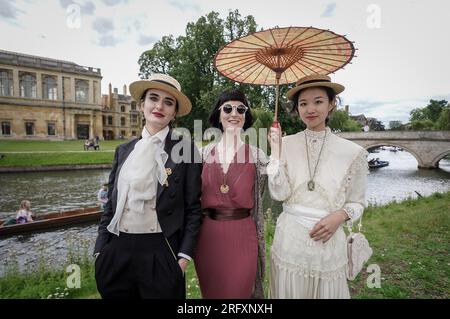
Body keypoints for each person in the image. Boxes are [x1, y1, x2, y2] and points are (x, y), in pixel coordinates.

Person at [93, 73, 202, 299]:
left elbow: (193, 209)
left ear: (174, 113)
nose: (159, 106)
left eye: (168, 102)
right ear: (142, 105)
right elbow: (110, 206)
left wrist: (182, 259)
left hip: (160, 251)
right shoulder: (123, 150)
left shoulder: (187, 150)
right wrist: (100, 250)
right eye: (153, 98)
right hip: (117, 252)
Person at [267, 74, 369, 299]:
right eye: (303, 103)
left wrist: (340, 216)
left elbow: (358, 202)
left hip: (328, 245)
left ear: (332, 104)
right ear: (297, 108)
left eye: (318, 101)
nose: (310, 109)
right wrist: (275, 153)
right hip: (290, 243)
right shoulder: (286, 144)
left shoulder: (353, 153)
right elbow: (279, 194)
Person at [194, 89, 268, 299]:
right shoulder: (202, 154)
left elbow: (276, 189)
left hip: (243, 234)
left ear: (246, 115)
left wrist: (279, 152)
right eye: (227, 108)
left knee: (240, 293)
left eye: (240, 109)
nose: (234, 113)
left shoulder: (258, 155)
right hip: (208, 238)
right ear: (219, 114)